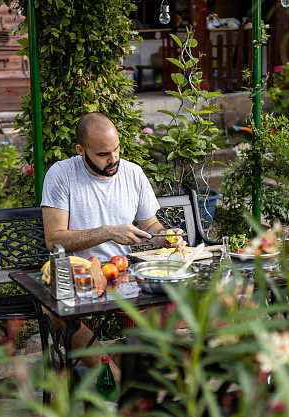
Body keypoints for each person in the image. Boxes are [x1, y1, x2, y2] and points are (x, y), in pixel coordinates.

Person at [41, 111, 184, 382]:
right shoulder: (61, 175)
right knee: (54, 309)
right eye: (103, 154)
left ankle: (120, 365)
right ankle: (114, 376)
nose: (113, 159)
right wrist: (107, 232)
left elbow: (151, 227)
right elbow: (54, 238)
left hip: (122, 275)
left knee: (175, 295)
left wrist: (167, 236)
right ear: (81, 150)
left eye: (117, 149)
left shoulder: (133, 173)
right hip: (78, 275)